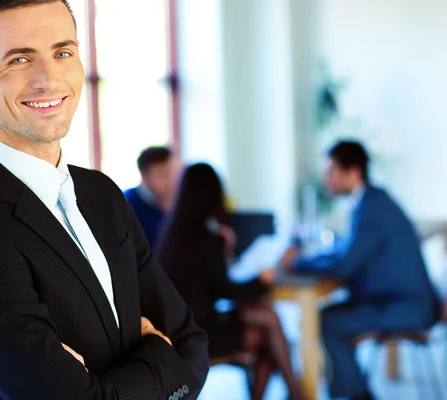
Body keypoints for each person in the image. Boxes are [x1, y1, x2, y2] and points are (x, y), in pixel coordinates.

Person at [0, 1, 209, 399]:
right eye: (19, 59)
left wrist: (111, 383)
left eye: (63, 52)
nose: (47, 79)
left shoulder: (101, 194)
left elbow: (191, 344)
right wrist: (160, 354)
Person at [281, 140, 441, 400]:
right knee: (331, 317)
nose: (326, 179)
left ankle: (357, 396)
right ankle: (352, 393)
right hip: (404, 301)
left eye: (331, 171)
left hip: (405, 308)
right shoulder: (372, 201)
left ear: (353, 172)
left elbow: (344, 265)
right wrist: (307, 259)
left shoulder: (371, 210)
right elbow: (346, 251)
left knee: (326, 321)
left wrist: (297, 262)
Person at [156, 163, 304, 400]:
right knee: (267, 334)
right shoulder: (208, 240)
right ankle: (297, 394)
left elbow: (210, 287)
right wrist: (262, 280)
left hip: (179, 329)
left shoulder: (170, 238)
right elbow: (225, 290)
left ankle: (295, 393)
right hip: (204, 334)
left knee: (267, 317)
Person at [124, 146, 176, 249]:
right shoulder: (128, 203)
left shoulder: (170, 201)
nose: (169, 181)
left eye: (171, 173)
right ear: (145, 176)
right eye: (163, 175)